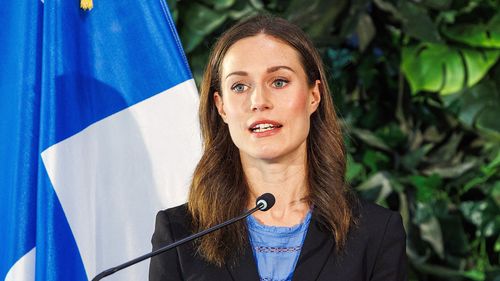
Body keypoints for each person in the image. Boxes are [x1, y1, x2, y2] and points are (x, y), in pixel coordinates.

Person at [149, 14, 407, 281]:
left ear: (313, 96)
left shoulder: (377, 233)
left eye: (279, 82)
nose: (259, 101)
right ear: (221, 106)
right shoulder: (178, 235)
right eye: (239, 86)